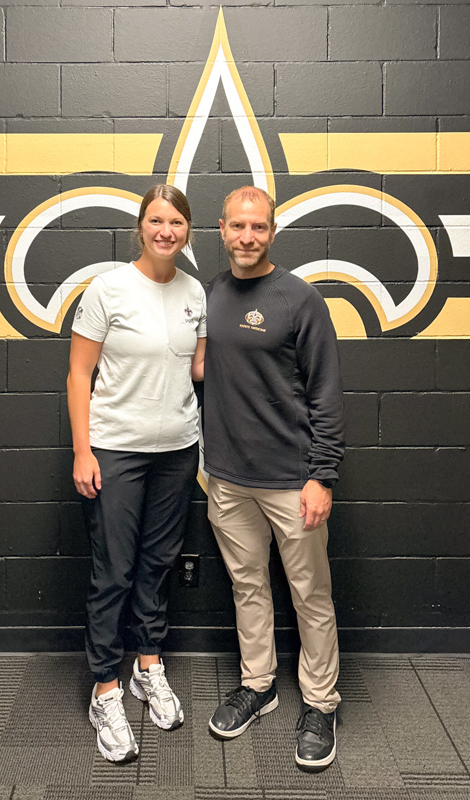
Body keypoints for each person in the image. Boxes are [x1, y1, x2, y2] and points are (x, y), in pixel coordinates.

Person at [203, 186, 345, 771]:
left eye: (257, 227)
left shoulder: (300, 300)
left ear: (273, 231)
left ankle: (320, 702)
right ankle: (258, 685)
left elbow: (326, 394)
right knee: (248, 587)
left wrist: (323, 475)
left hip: (293, 481)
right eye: (237, 226)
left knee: (310, 594)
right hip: (227, 480)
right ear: (221, 229)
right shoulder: (210, 293)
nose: (246, 237)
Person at [67, 184, 206, 763]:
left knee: (156, 564)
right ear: (140, 227)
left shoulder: (196, 291)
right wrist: (83, 451)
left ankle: (149, 664)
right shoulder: (108, 289)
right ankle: (106, 687)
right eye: (156, 219)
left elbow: (199, 367)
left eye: (176, 221)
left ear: (188, 230)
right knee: (114, 572)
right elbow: (79, 374)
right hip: (116, 450)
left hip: (177, 449)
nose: (165, 230)